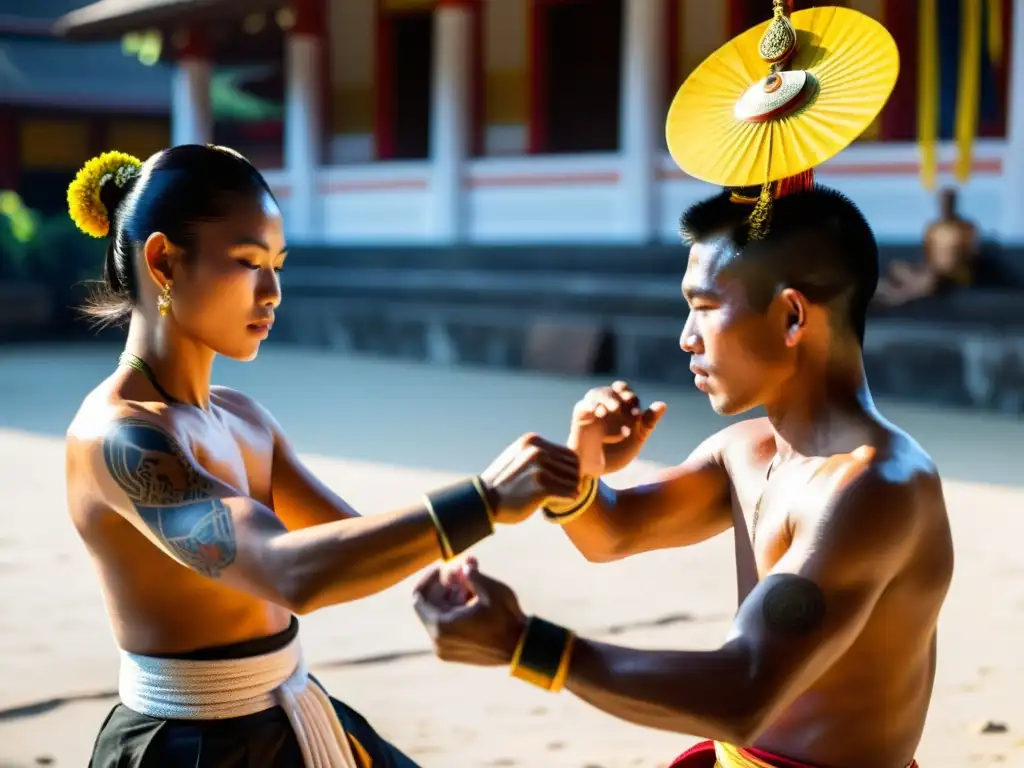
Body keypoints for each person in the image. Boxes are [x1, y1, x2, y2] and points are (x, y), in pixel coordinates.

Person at [412, 5, 953, 768]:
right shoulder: (750, 447)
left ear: (792, 315)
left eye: (704, 309)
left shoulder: (876, 489)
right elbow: (618, 532)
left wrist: (523, 644)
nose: (686, 338)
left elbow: (745, 690)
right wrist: (581, 474)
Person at [64, 144, 582, 768]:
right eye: (248, 262)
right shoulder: (119, 438)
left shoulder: (243, 417)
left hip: (291, 709)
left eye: (278, 264)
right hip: (188, 745)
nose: (274, 291)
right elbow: (291, 573)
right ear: (164, 260)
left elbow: (345, 538)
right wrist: (486, 500)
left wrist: (435, 577)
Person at [874, 187, 979, 307]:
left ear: (954, 203)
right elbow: (927, 256)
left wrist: (947, 268)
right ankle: (905, 288)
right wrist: (924, 269)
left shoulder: (966, 228)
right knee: (897, 267)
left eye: (948, 202)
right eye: (942, 202)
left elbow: (971, 256)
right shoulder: (933, 228)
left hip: (953, 275)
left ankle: (895, 296)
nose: (944, 205)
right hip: (932, 271)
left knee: (930, 279)